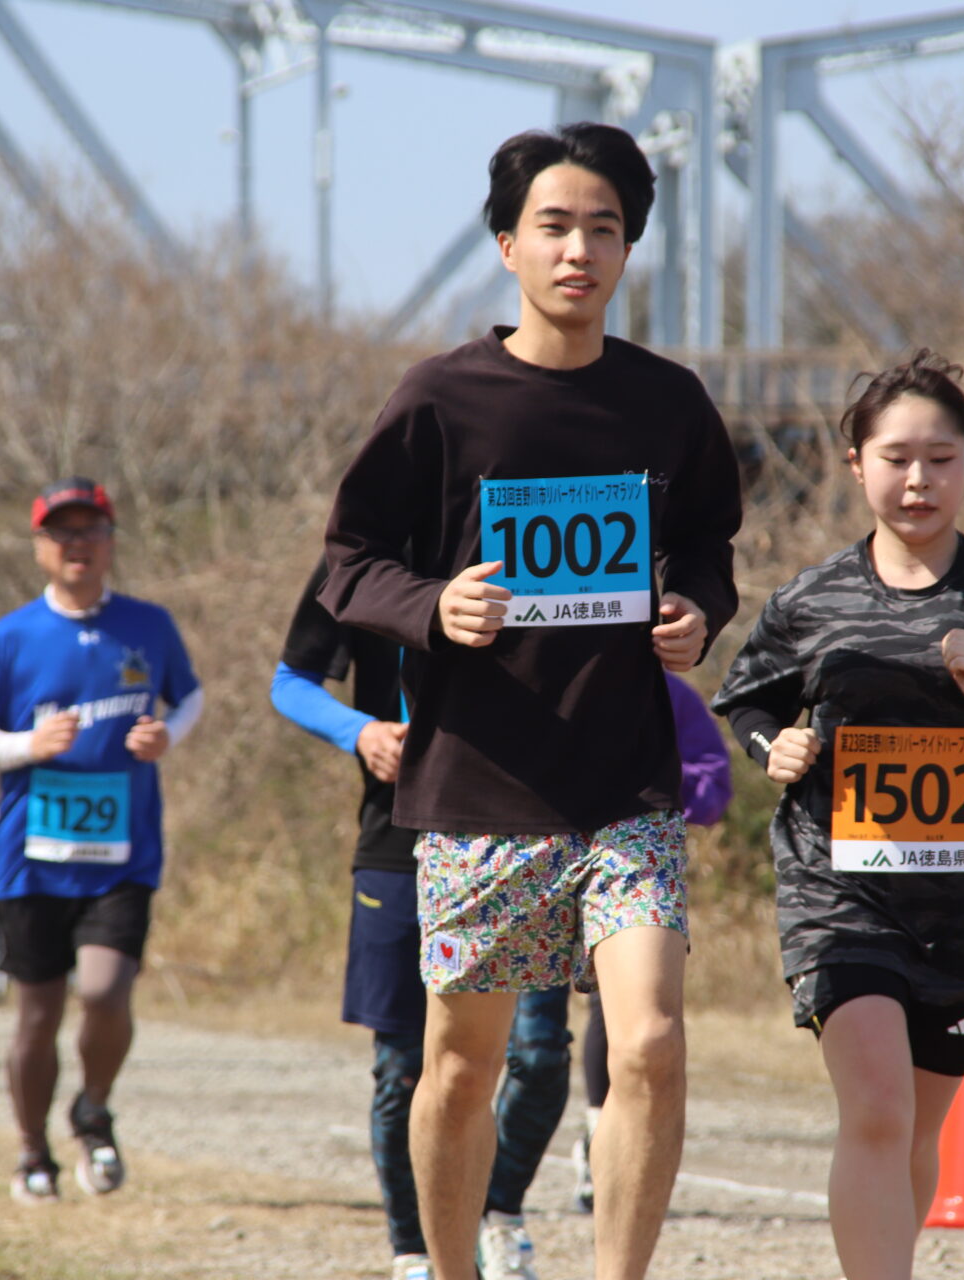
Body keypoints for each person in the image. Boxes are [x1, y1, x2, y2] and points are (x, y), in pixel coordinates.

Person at [318, 122, 743, 1280]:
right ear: (507, 243)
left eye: (603, 228)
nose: (578, 250)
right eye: (553, 225)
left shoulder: (668, 402)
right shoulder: (441, 397)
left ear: (628, 249)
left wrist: (696, 606)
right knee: (463, 1067)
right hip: (481, 784)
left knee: (649, 1042)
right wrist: (432, 604)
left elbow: (709, 543)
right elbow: (349, 561)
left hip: (626, 786)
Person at [712, 351, 964, 1280]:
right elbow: (747, 701)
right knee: (879, 1110)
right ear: (857, 464)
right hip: (840, 891)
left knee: (917, 1130)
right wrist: (773, 749)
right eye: (896, 458)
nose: (919, 479)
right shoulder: (813, 599)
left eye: (941, 458)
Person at [273, 559, 574, 1280]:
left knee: (538, 1054)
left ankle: (495, 1213)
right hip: (399, 838)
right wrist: (360, 732)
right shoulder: (366, 550)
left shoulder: (529, 530)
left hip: (532, 833)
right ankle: (415, 1254)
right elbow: (291, 681)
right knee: (403, 1067)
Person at [0, 477, 203, 1206]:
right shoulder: (12, 636)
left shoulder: (148, 625)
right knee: (38, 1014)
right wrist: (27, 745)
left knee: (104, 989)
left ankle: (93, 1110)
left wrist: (167, 736)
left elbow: (190, 696)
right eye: (62, 533)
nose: (78, 545)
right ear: (40, 546)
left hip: (124, 852)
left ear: (110, 542)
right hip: (33, 858)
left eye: (91, 531)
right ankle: (33, 1152)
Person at [571, 674, 732, 1214]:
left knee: (624, 1018)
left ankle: (602, 1139)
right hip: (532, 863)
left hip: (629, 866)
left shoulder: (669, 694)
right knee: (533, 1047)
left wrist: (651, 775)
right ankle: (500, 1199)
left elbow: (714, 785)